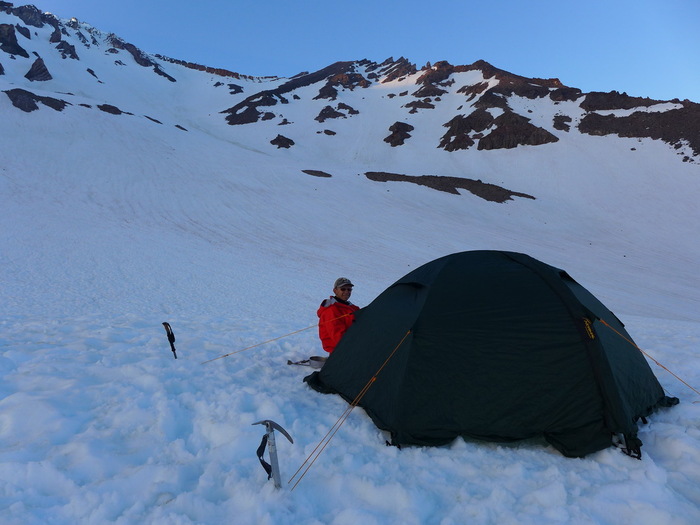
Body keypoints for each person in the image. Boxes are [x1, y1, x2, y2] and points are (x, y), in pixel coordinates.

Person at [317, 277, 360, 354]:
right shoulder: (331, 310)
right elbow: (338, 336)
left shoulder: (353, 308)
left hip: (353, 345)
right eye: (343, 289)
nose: (346, 291)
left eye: (349, 289)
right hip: (340, 351)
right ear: (335, 291)